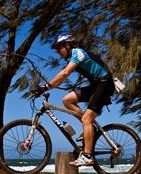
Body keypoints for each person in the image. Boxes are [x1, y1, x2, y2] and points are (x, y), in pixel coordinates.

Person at [32, 34, 115, 167]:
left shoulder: (77, 53)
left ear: (68, 45)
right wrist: (46, 87)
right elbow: (63, 74)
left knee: (86, 119)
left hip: (105, 84)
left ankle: (88, 156)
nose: (59, 52)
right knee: (67, 100)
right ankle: (90, 127)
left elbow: (64, 74)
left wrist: (46, 87)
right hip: (97, 85)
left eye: (60, 48)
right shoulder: (72, 56)